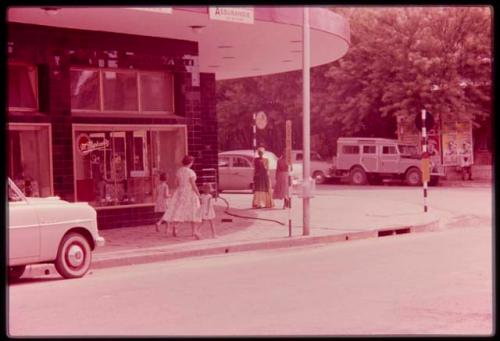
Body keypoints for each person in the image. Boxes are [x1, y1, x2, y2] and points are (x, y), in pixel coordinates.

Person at [161, 155, 202, 238]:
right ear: (190, 162)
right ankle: (194, 231)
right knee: (194, 210)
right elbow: (193, 185)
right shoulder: (191, 172)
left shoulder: (179, 171)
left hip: (180, 192)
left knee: (180, 209)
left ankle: (176, 226)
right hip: (190, 192)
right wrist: (198, 194)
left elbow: (176, 183)